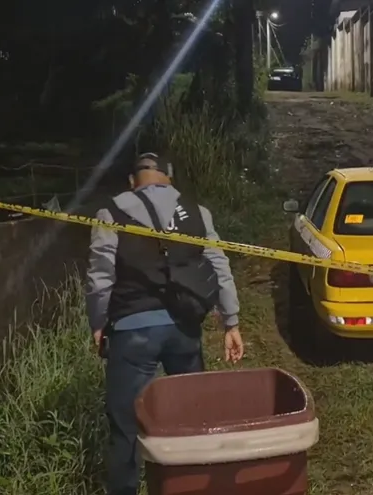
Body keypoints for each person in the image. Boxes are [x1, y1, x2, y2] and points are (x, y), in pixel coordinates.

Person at [86, 152, 245, 494]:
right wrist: (230, 322)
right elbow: (219, 266)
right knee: (192, 420)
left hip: (132, 331)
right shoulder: (197, 213)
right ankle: (193, 486)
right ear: (169, 179)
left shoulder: (111, 213)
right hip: (184, 329)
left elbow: (100, 277)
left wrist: (98, 323)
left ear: (132, 181)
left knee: (126, 428)